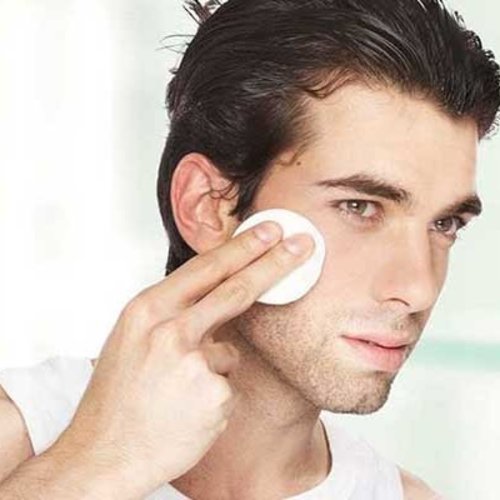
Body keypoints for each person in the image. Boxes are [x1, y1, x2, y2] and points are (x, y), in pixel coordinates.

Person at [0, 0, 499, 498]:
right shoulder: (19, 437)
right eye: (359, 207)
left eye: (445, 223)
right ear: (210, 206)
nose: (418, 288)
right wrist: (98, 465)